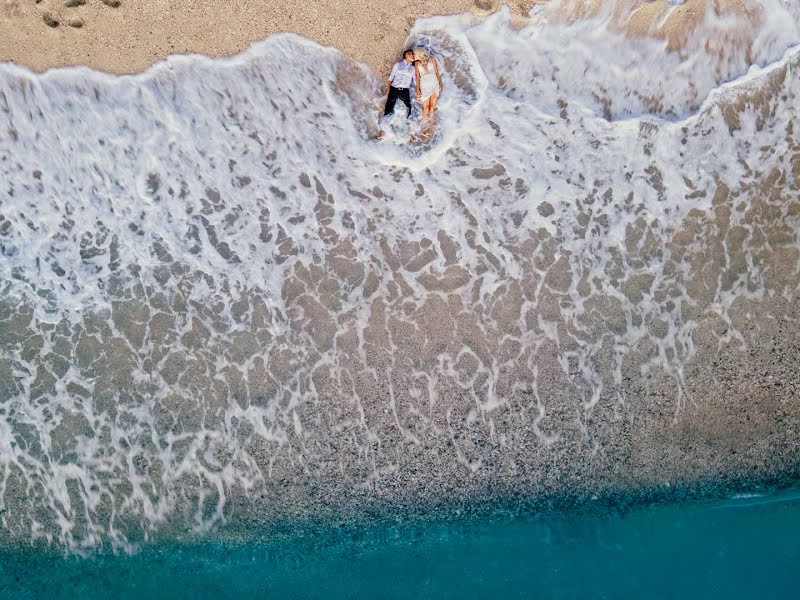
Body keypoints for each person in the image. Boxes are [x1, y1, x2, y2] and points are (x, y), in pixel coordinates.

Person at [414, 48, 443, 138]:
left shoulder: (432, 59)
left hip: (434, 83)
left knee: (432, 107)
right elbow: (417, 77)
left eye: (414, 54)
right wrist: (417, 90)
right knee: (426, 108)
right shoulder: (416, 63)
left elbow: (437, 72)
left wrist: (440, 82)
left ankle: (430, 128)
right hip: (425, 85)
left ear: (419, 53)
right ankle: (421, 128)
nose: (414, 56)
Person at [382, 49, 416, 119]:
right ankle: (384, 123)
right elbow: (391, 78)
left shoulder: (413, 68)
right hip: (394, 89)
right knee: (389, 107)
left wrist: (419, 90)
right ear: (406, 55)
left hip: (405, 91)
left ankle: (407, 124)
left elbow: (415, 80)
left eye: (413, 54)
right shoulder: (397, 65)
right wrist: (388, 90)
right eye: (411, 54)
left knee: (408, 108)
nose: (413, 55)